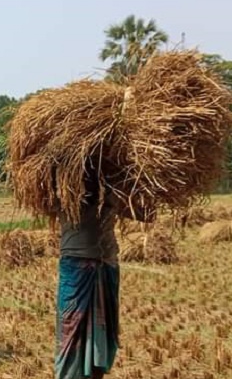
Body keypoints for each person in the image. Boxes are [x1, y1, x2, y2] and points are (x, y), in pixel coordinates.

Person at [54, 160, 154, 379]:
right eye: (84, 179)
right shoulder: (64, 201)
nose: (87, 184)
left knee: (102, 329)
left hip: (104, 268)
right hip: (77, 272)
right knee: (72, 329)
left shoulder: (111, 201)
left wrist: (133, 183)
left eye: (90, 179)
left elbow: (148, 214)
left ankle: (95, 373)